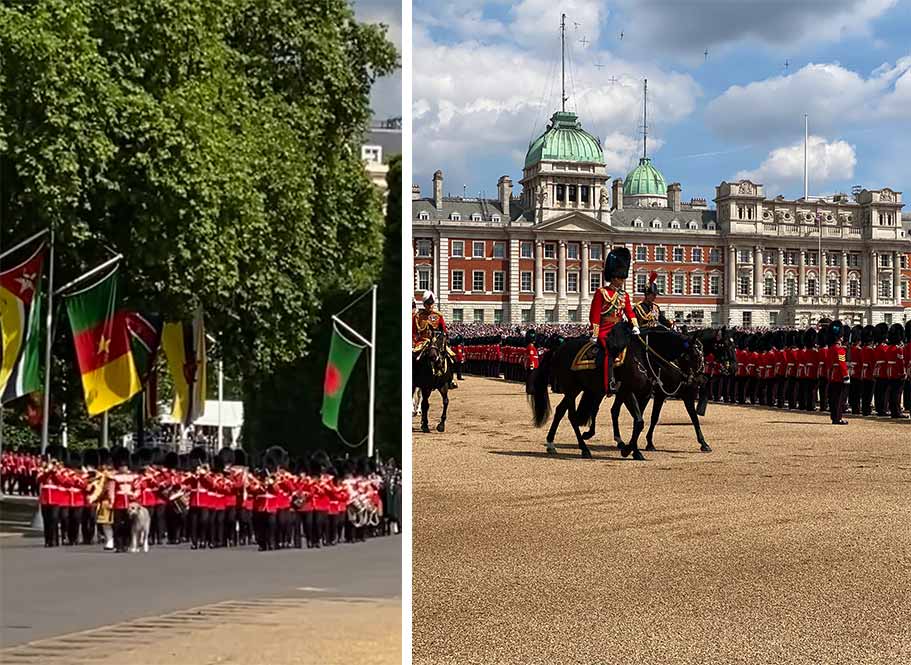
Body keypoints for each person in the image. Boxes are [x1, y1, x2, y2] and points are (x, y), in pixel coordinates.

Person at [588, 247, 639, 394]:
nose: (623, 281)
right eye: (621, 278)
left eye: (623, 278)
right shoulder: (601, 293)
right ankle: (608, 383)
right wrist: (594, 333)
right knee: (608, 353)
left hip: (620, 328)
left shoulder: (624, 295)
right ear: (614, 277)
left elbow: (629, 311)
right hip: (605, 330)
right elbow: (595, 315)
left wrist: (635, 325)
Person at [826, 320, 849, 425]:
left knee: (834, 398)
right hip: (839, 376)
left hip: (832, 375)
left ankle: (834, 417)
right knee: (839, 398)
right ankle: (838, 418)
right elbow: (842, 364)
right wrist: (846, 376)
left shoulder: (830, 348)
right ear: (839, 337)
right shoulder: (839, 350)